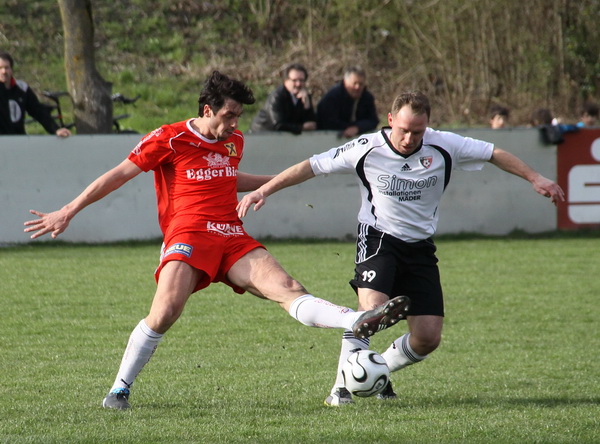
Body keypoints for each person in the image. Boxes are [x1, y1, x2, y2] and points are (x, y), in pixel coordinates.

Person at [23, 71, 409, 410]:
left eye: (238, 116)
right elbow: (118, 174)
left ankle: (355, 320)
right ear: (207, 110)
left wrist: (273, 184)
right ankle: (119, 389)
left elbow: (227, 177)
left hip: (231, 234)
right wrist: (69, 210)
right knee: (165, 311)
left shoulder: (234, 140)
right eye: (229, 115)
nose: (235, 123)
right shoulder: (169, 138)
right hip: (188, 233)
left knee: (289, 287)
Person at [237, 91, 565, 407]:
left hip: (420, 248)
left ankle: (376, 370)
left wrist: (534, 177)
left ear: (428, 125)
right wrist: (264, 190)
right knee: (370, 312)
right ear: (391, 120)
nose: (409, 138)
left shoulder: (444, 144)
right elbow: (311, 166)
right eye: (403, 130)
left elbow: (494, 152)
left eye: (417, 132)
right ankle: (340, 389)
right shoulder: (366, 148)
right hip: (379, 239)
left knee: (427, 338)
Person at [0, 51, 70, 137]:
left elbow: (38, 111)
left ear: (11, 69)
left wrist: (56, 129)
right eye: (0, 68)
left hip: (18, 140)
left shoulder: (22, 88)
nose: (4, 71)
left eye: (6, 67)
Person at [250, 63, 317, 134]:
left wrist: (307, 106)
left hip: (283, 137)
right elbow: (278, 125)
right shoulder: (277, 96)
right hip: (261, 134)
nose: (298, 84)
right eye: (294, 80)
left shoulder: (305, 96)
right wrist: (301, 128)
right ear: (286, 81)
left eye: (301, 80)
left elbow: (312, 125)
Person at [317, 66, 379, 138]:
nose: (357, 87)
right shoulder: (332, 97)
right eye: (354, 83)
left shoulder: (367, 97)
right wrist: (348, 128)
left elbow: (373, 120)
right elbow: (328, 122)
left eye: (360, 84)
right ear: (345, 82)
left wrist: (358, 128)